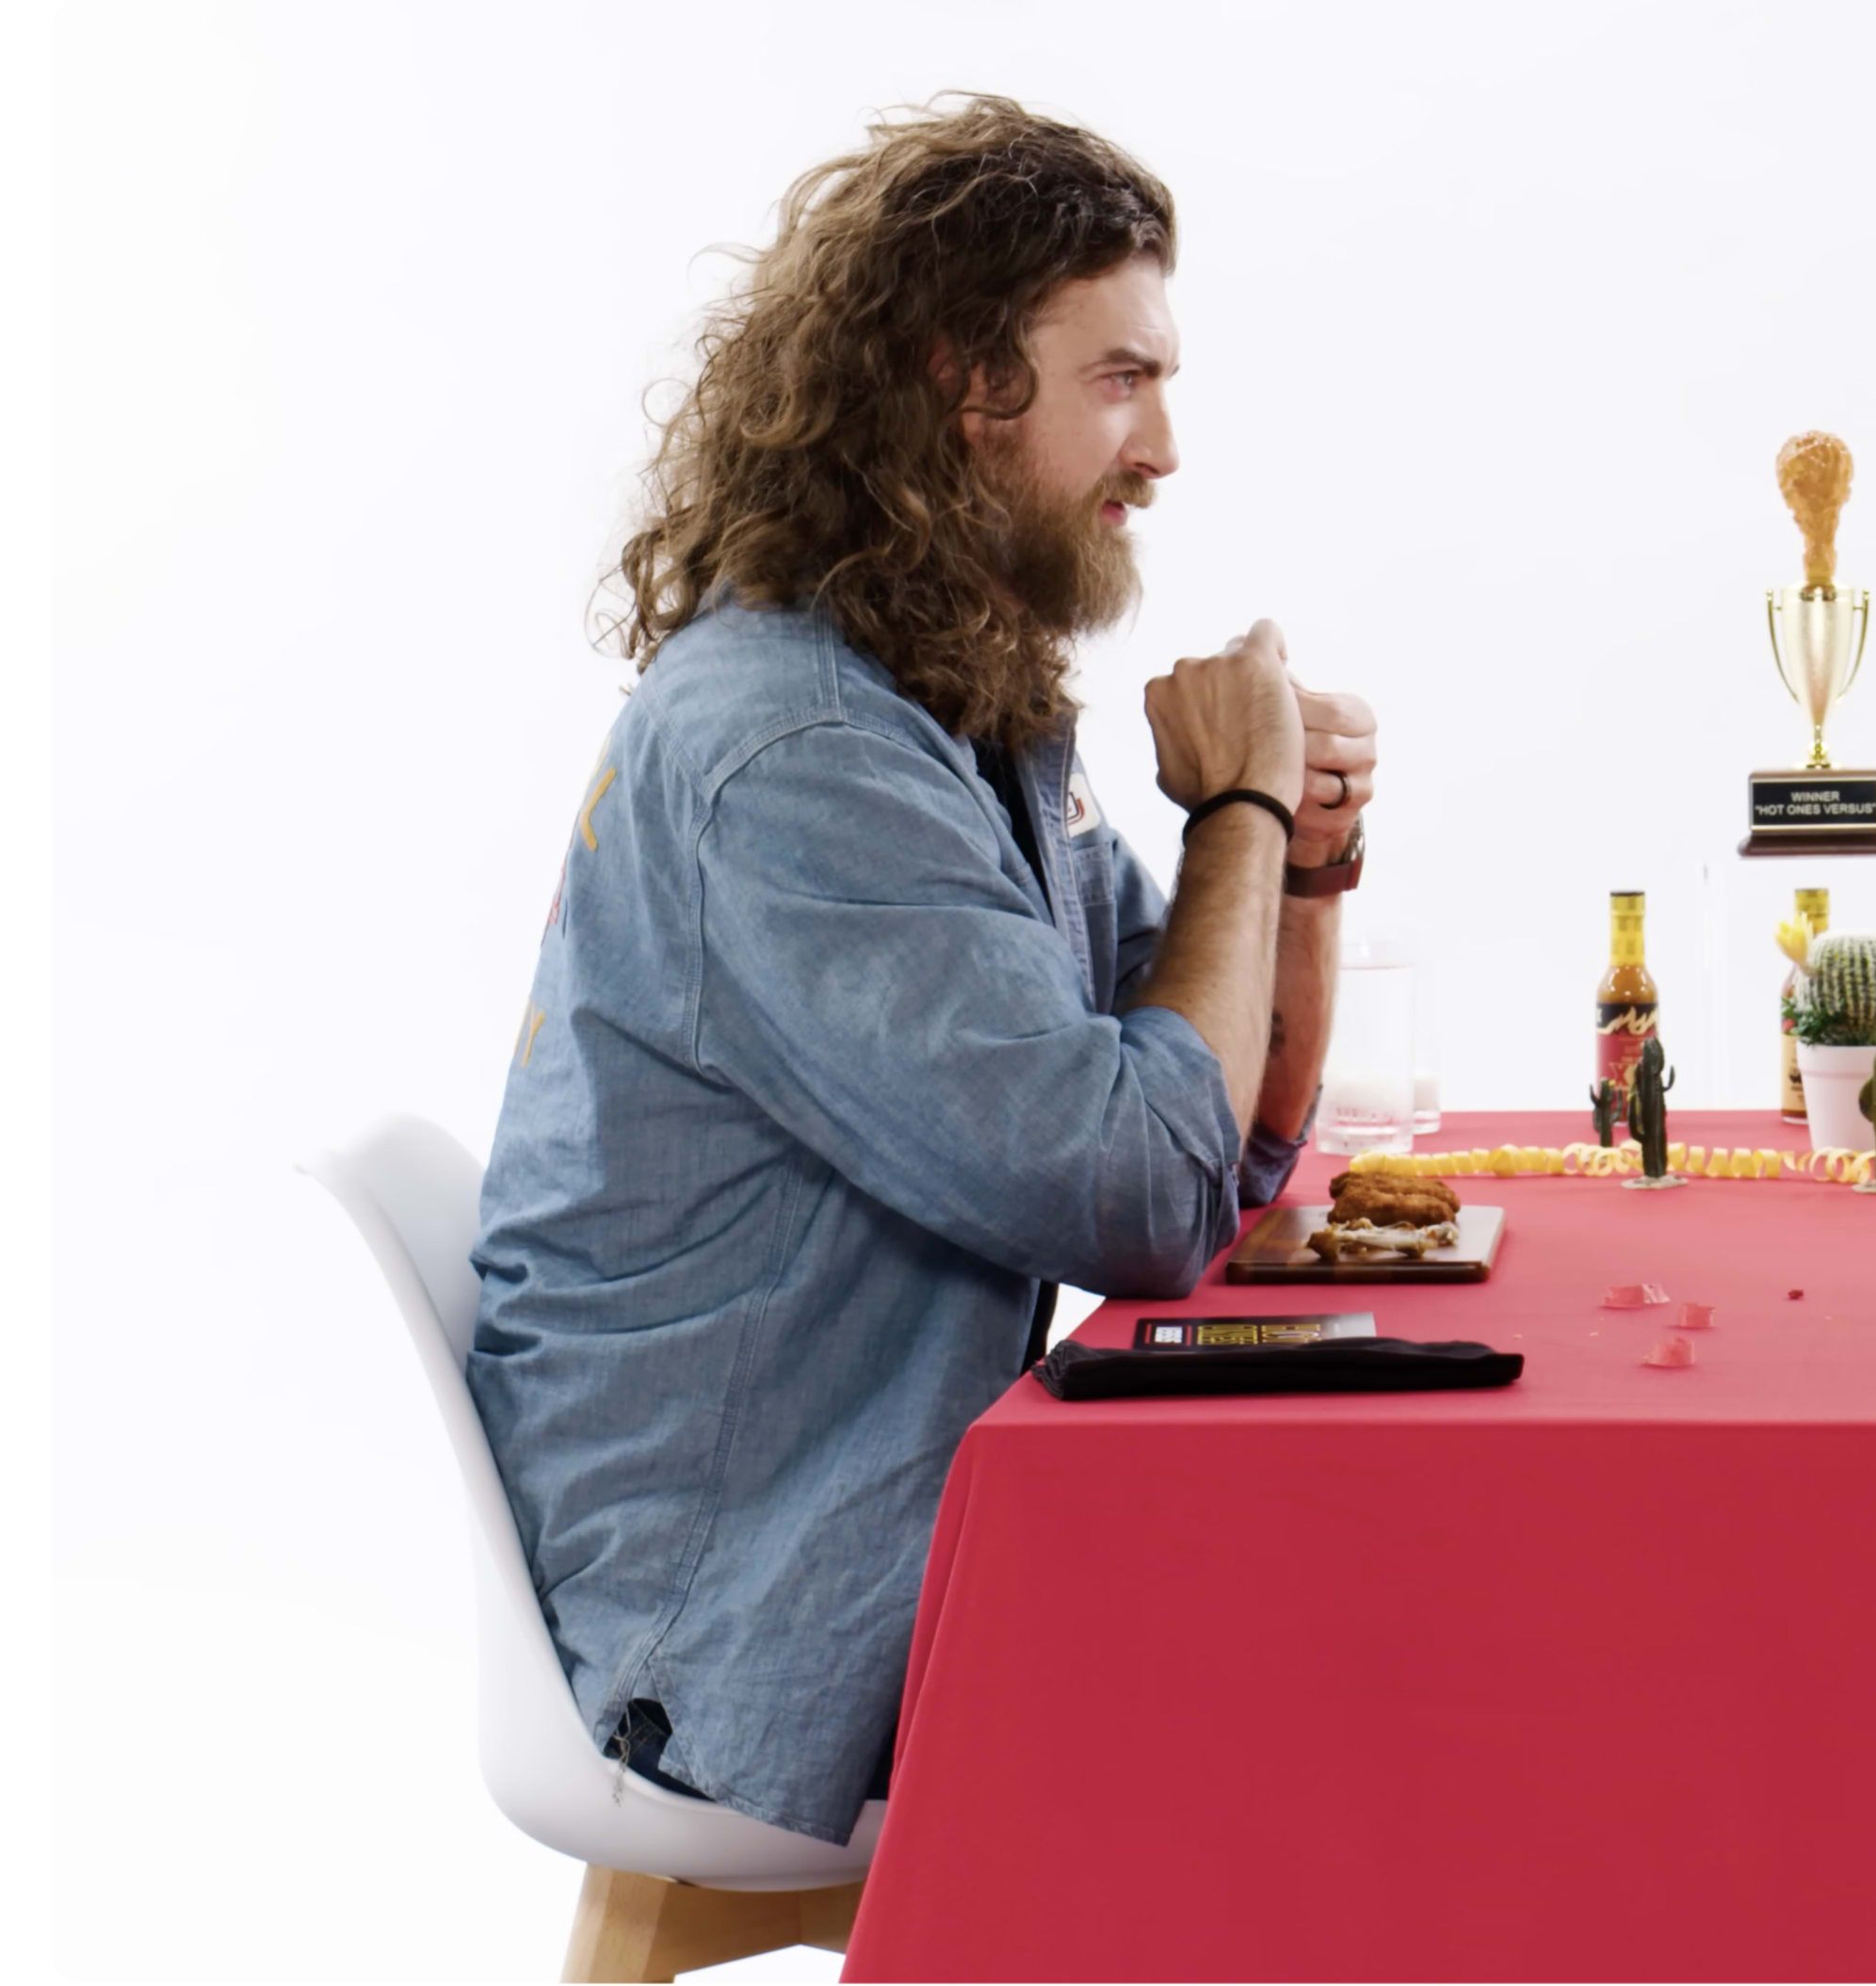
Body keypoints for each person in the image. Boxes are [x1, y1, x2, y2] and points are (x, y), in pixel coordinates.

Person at [469, 97, 1380, 1846]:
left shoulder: (946, 697)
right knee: (1369, 1662)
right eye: (1122, 378)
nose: (1168, 444)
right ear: (969, 386)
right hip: (744, 1613)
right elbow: (1137, 1189)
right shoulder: (801, 752)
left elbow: (1214, 1131)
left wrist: (1300, 861)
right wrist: (1244, 805)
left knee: (1388, 1617)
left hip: (855, 1522)